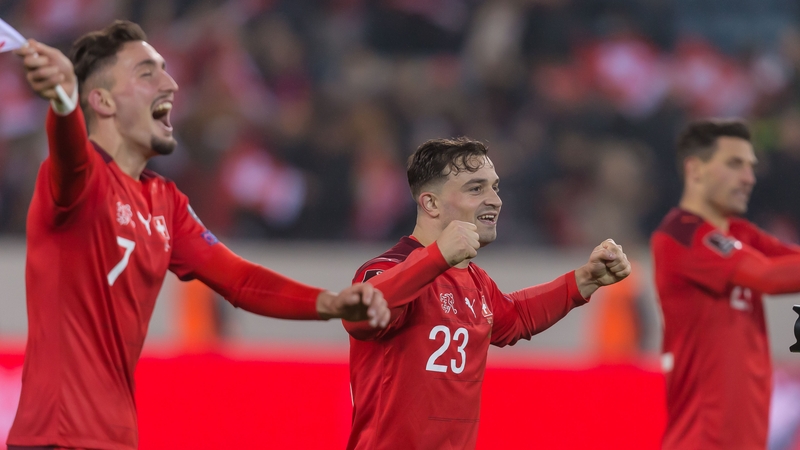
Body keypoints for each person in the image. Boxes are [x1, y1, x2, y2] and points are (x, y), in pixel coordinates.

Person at [8, 20, 390, 450]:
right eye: (147, 73)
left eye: (165, 70)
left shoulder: (164, 201)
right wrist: (63, 101)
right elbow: (70, 154)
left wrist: (332, 303)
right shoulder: (79, 181)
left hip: (116, 439)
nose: (170, 84)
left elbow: (240, 280)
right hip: (55, 438)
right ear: (103, 101)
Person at [343, 137, 631, 449]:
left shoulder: (475, 281)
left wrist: (585, 279)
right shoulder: (387, 268)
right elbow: (358, 318)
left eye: (495, 187)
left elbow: (515, 316)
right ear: (431, 204)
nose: (495, 200)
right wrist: (436, 257)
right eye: (476, 189)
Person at [652, 120, 800, 450]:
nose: (749, 178)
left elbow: (789, 261)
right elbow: (769, 277)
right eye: (735, 164)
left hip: (745, 437)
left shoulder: (741, 234)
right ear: (695, 170)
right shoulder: (682, 235)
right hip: (704, 440)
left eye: (750, 166)